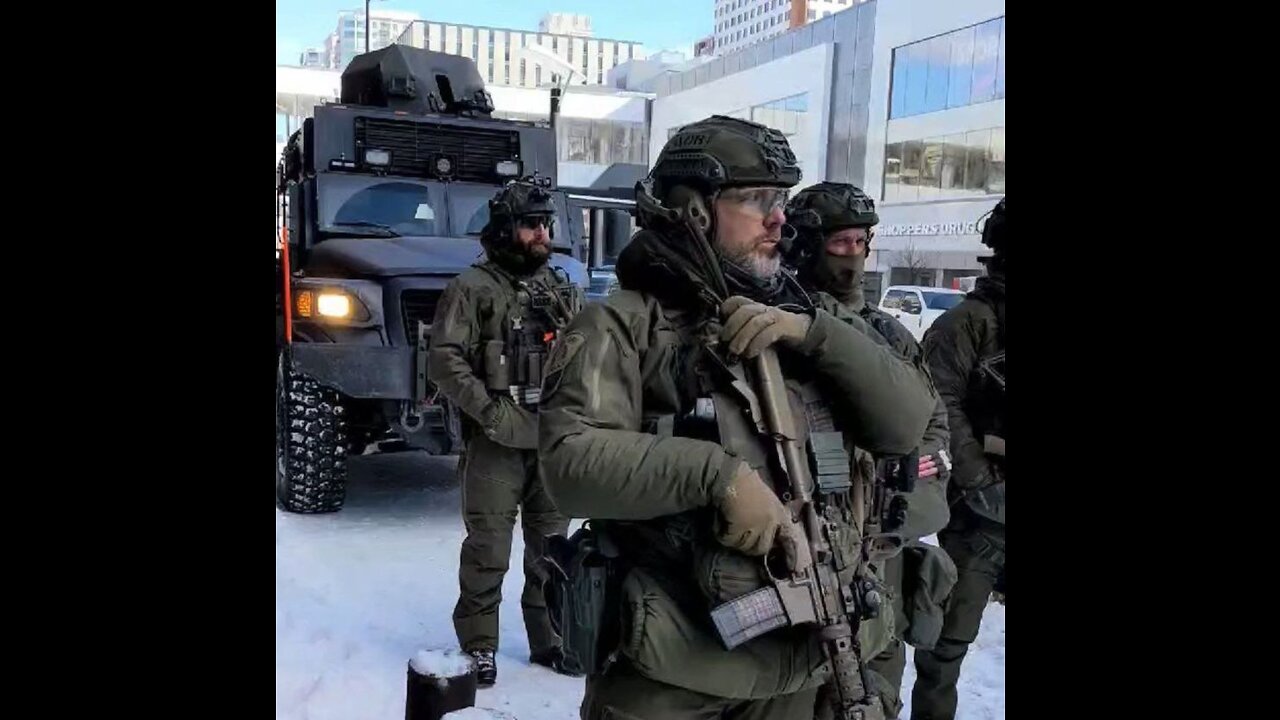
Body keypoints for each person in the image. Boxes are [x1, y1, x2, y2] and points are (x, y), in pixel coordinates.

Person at [537, 116, 937, 719]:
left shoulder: (807, 314)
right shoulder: (625, 325)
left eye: (779, 200)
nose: (779, 219)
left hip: (816, 659)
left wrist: (815, 335)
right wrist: (716, 476)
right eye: (755, 200)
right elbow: (570, 463)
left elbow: (907, 424)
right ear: (693, 210)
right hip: (680, 670)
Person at [785, 182, 957, 720]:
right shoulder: (781, 326)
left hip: (877, 559)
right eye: (840, 242)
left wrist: (899, 510)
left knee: (874, 694)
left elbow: (933, 434)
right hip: (799, 551)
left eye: (862, 241)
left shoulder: (891, 336)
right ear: (806, 244)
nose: (854, 255)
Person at [427, 176, 584, 686]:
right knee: (488, 550)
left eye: (545, 224)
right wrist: (489, 413)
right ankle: (479, 645)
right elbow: (445, 361)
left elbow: (585, 354)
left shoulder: (559, 286)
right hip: (496, 442)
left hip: (551, 440)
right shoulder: (472, 288)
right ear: (504, 229)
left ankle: (550, 640)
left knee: (552, 550)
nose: (541, 234)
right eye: (530, 225)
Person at [911, 198, 1006, 720]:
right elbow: (938, 408)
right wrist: (982, 482)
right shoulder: (965, 325)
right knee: (945, 648)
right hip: (979, 520)